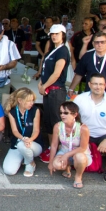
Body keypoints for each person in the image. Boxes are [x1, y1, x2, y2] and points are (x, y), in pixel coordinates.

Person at [73, 73, 106, 184]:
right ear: (89, 84)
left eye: (101, 84)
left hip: (104, 135)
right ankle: (74, 169)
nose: (98, 87)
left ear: (105, 85)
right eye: (95, 84)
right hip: (84, 133)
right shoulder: (80, 99)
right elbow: (72, 119)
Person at [37, 24, 70, 163]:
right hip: (48, 91)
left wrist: (44, 85)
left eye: (57, 33)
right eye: (52, 34)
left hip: (56, 91)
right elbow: (46, 71)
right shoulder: (52, 49)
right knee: (49, 121)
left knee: (56, 121)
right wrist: (41, 83)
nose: (54, 36)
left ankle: (59, 149)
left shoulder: (63, 51)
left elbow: (57, 73)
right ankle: (52, 148)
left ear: (63, 35)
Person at [47, 101, 92, 189]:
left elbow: (83, 148)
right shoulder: (58, 126)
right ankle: (67, 168)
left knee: (80, 157)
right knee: (56, 164)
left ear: (75, 114)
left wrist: (66, 155)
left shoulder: (83, 128)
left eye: (66, 113)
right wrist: (50, 162)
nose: (62, 115)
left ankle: (78, 177)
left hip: (80, 153)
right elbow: (54, 145)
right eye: (61, 113)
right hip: (65, 150)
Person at [2, 88, 42, 177]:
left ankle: (30, 163)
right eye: (29, 101)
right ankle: (25, 157)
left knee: (22, 145)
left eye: (32, 100)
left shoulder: (35, 110)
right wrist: (23, 139)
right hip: (18, 143)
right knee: (9, 170)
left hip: (33, 144)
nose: (32, 103)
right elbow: (15, 131)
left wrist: (30, 140)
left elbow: (36, 130)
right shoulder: (12, 112)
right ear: (20, 100)